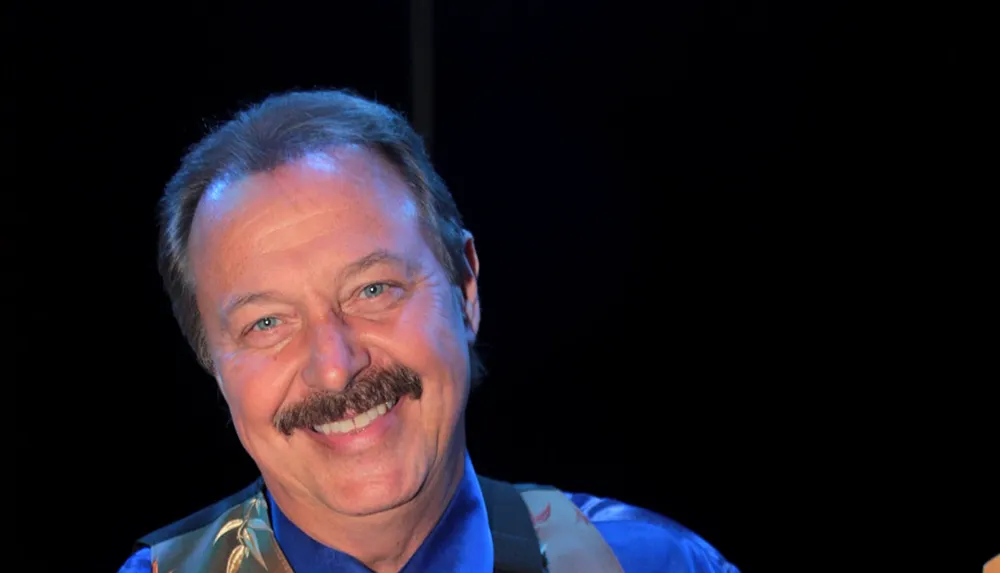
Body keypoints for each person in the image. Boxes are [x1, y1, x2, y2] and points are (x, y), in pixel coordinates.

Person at [117, 89, 739, 573]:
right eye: (267, 323)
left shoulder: (649, 563)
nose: (334, 365)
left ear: (465, 291)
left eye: (373, 290)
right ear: (213, 363)